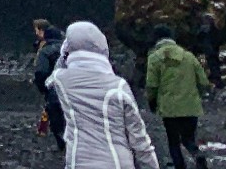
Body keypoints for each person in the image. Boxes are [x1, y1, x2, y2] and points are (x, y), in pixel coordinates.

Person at [46, 21, 157, 169]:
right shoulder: (118, 86)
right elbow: (139, 140)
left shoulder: (62, 80)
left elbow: (53, 74)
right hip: (117, 162)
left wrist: (65, 52)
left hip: (79, 162)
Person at [144, 24, 210, 169]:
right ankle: (196, 153)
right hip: (191, 105)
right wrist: (197, 95)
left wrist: (152, 102)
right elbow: (203, 81)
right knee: (188, 138)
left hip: (169, 108)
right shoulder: (188, 56)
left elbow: (152, 85)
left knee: (173, 141)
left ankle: (180, 166)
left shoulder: (155, 58)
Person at [34, 21, 67, 151]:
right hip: (72, 89)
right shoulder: (69, 51)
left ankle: (60, 141)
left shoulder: (45, 51)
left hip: (53, 89)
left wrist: (42, 88)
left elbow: (41, 72)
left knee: (53, 115)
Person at [193, 14, 223, 91]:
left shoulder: (203, 30)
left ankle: (214, 81)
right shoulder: (209, 30)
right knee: (212, 66)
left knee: (212, 66)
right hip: (210, 52)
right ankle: (215, 81)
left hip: (210, 52)